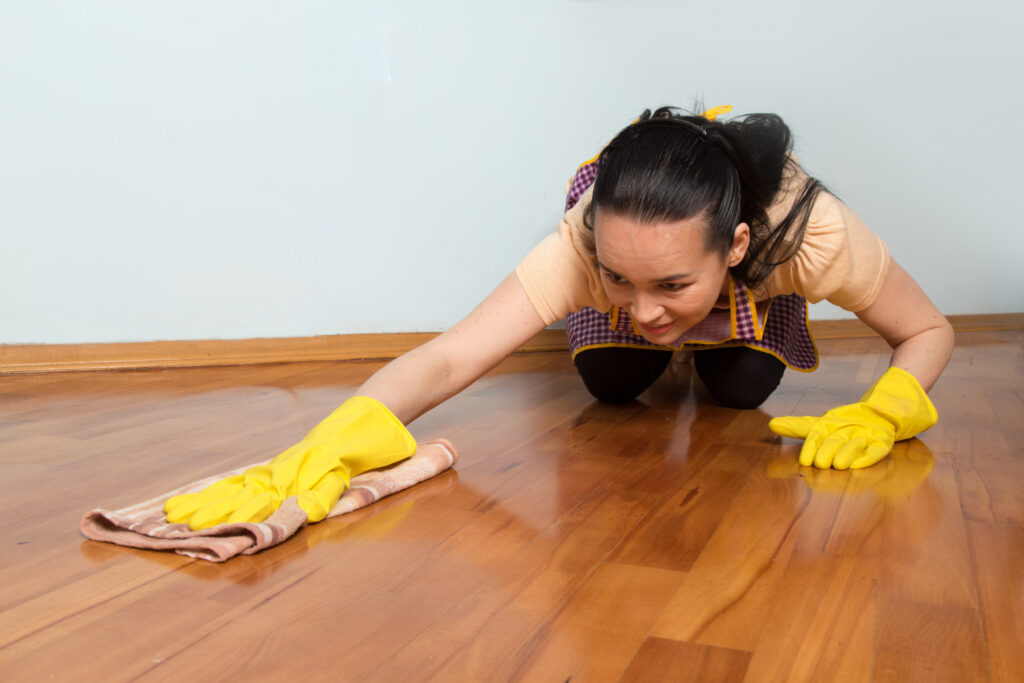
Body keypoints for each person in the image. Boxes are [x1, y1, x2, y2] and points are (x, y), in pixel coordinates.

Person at [165, 105, 955, 531]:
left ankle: (713, 336)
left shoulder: (808, 231)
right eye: (619, 276)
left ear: (738, 243)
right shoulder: (582, 243)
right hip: (649, 272)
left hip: (746, 305)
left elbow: (928, 330)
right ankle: (664, 316)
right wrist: (326, 439)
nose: (643, 309)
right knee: (613, 378)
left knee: (744, 389)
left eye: (672, 282)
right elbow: (448, 358)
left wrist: (891, 410)